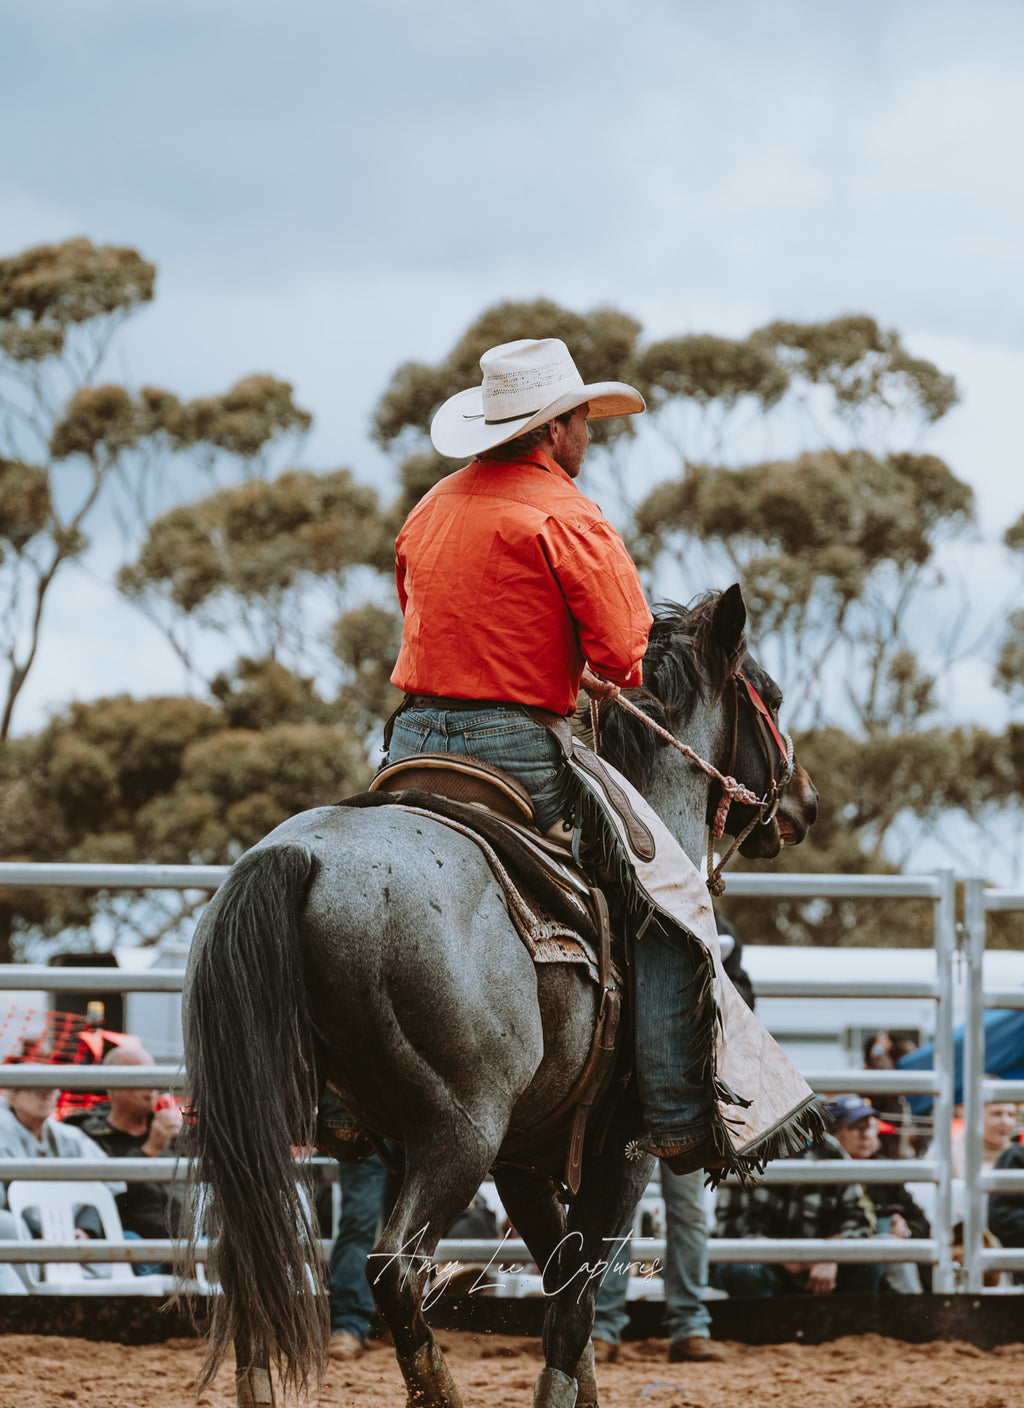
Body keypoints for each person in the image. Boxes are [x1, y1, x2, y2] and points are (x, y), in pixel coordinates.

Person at [383, 336, 817, 1178]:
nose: (589, 435)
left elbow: (429, 620)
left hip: (409, 741)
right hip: (517, 748)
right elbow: (625, 656)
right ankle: (679, 1113)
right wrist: (586, 673)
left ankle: (341, 1096)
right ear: (555, 429)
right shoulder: (568, 515)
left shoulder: (431, 507)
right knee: (662, 897)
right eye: (583, 419)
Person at [591, 916, 753, 1363]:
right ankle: (665, 1324)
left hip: (661, 1095)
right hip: (642, 1094)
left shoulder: (710, 925)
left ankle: (649, 1325)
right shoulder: (707, 926)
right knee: (635, 1212)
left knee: (664, 1212)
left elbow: (740, 998)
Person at [708, 1123, 880, 1298]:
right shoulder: (747, 1148)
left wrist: (829, 1255)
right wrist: (779, 1254)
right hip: (765, 1264)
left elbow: (859, 1222)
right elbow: (729, 1229)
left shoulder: (830, 1150)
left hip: (820, 1265)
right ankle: (762, 1324)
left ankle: (851, 1323)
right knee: (743, 1270)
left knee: (872, 1257)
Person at [65, 1045, 183, 1273]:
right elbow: (100, 1199)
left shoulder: (173, 1131)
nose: (151, 1091)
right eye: (141, 1081)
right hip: (133, 1242)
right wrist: (148, 1151)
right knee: (131, 1249)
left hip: (186, 1242)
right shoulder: (90, 1137)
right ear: (114, 1086)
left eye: (154, 1079)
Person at [0, 1082, 117, 1291]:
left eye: (53, 1087)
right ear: (11, 1094)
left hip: (74, 1240)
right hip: (23, 1240)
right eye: (35, 1086)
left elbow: (106, 1184)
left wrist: (86, 1228)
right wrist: (38, 1233)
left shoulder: (69, 1136)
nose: (46, 1093)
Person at [824, 1094, 931, 1293]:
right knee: (889, 1246)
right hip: (841, 1267)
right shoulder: (820, 1172)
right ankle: (919, 1314)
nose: (867, 1135)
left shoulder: (883, 1172)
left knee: (893, 1245)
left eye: (871, 1127)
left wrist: (906, 1230)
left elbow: (921, 1222)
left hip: (881, 1268)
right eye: (856, 1127)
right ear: (834, 1134)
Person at [949, 1095, 1017, 1181]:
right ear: (976, 1117)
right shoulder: (948, 1152)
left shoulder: (1019, 1156)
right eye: (997, 1114)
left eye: (1011, 1115)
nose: (1006, 1122)